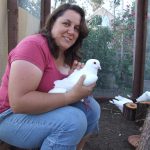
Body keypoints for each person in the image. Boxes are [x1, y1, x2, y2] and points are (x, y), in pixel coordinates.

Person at [0, 3, 100, 150]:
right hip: (8, 116)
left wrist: (74, 81)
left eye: (76, 28)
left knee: (92, 109)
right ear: (53, 23)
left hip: (36, 110)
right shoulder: (33, 46)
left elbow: (53, 87)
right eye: (66, 23)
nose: (71, 31)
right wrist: (71, 96)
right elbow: (19, 103)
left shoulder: (66, 53)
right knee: (73, 121)